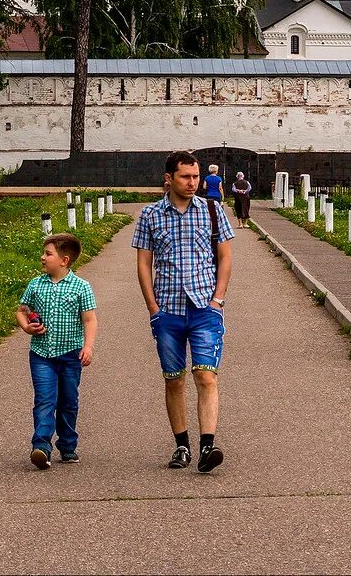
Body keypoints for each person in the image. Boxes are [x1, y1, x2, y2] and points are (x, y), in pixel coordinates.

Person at [133, 149, 235, 474]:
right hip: (169, 311)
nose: (193, 183)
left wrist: (218, 300)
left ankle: (207, 446)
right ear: (169, 179)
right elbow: (143, 265)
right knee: (174, 380)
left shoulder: (213, 210)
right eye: (186, 177)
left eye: (196, 177)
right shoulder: (150, 215)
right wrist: (153, 308)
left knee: (206, 375)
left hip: (205, 307)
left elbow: (226, 258)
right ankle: (182, 445)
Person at [16, 232, 98, 469]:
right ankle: (41, 446)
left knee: (68, 402)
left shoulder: (81, 287)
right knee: (44, 400)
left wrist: (88, 346)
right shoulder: (36, 284)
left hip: (71, 355)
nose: (42, 257)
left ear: (64, 260)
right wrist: (27, 327)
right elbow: (22, 310)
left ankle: (68, 445)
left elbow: (90, 319)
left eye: (48, 254)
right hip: (41, 354)